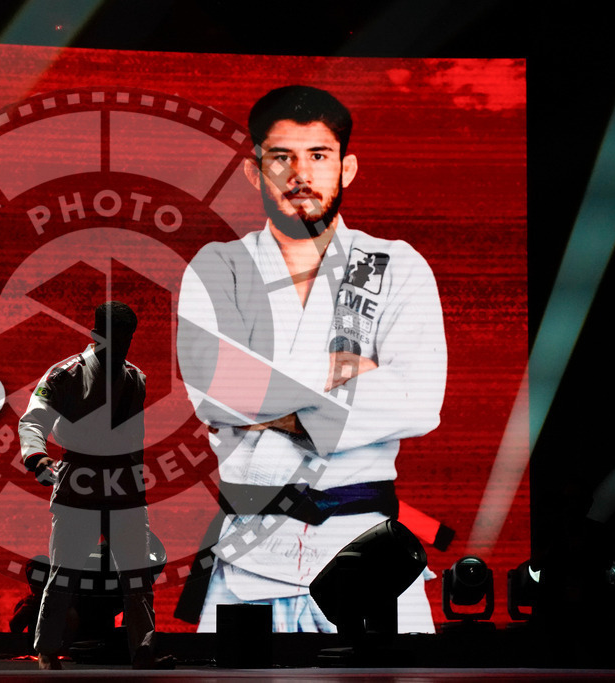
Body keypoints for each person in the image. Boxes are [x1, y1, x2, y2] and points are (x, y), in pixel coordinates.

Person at [175, 85, 447, 633]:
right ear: (255, 172)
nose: (301, 173)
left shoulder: (395, 265)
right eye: (282, 157)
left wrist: (269, 392)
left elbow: (418, 400)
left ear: (346, 168)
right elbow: (215, 387)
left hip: (370, 548)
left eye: (318, 156)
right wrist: (348, 373)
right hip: (248, 553)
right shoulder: (219, 265)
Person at [18, 302, 171, 669]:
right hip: (80, 477)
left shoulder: (137, 377)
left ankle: (143, 650)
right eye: (114, 336)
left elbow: (134, 436)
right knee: (64, 571)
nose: (122, 344)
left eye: (127, 337)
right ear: (96, 333)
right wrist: (36, 458)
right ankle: (47, 650)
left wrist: (137, 484)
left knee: (137, 575)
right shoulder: (65, 374)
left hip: (124, 483)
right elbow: (33, 421)